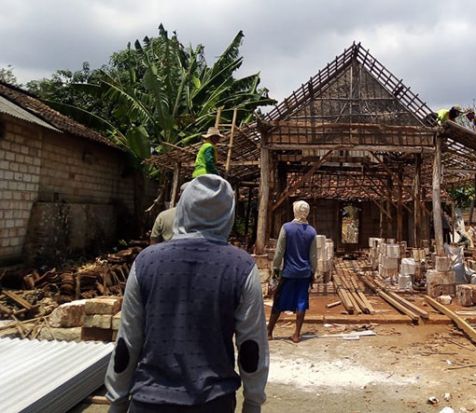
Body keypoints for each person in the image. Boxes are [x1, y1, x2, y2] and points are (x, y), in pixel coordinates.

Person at [105, 175, 268, 413]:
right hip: (214, 402)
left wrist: (117, 400)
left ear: (183, 208)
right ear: (229, 214)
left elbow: (128, 340)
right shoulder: (241, 267)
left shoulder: (146, 262)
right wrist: (253, 403)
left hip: (149, 401)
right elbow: (252, 345)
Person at [267, 200, 318, 343]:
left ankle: (269, 332)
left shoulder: (286, 228)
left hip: (288, 272)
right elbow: (313, 256)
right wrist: (313, 273)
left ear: (295, 211)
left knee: (278, 300)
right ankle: (296, 334)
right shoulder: (312, 232)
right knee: (301, 302)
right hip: (304, 274)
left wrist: (275, 273)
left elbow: (279, 253)